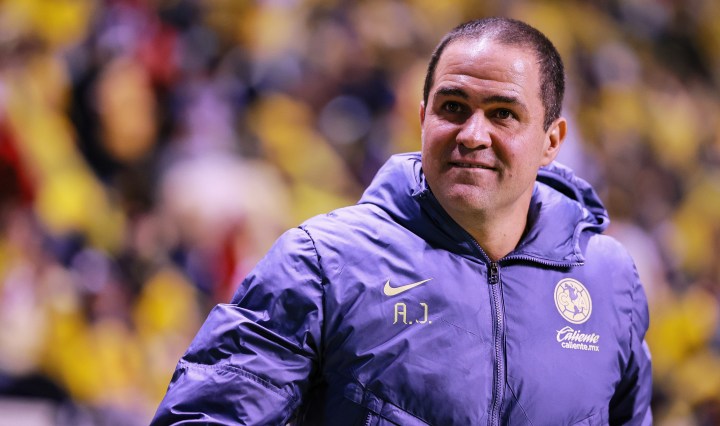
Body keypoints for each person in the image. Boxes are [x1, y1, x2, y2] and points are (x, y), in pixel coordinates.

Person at [151, 17, 652, 425]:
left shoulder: (609, 280)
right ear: (423, 118)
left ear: (551, 140)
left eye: (503, 114)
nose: (472, 134)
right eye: (453, 107)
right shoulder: (323, 263)